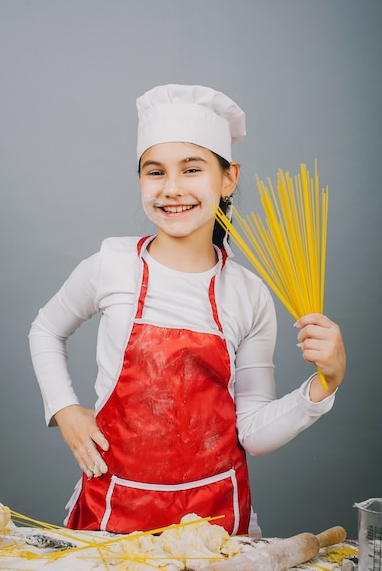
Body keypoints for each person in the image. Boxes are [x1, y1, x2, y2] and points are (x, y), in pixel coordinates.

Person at [28, 84, 346, 536]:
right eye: (154, 172)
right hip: (114, 513)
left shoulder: (248, 294)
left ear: (229, 177)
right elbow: (45, 328)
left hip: (215, 525)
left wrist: (323, 386)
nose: (172, 189)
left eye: (192, 169)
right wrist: (65, 409)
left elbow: (252, 433)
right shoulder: (111, 265)